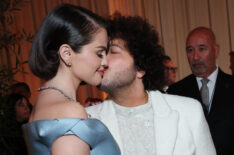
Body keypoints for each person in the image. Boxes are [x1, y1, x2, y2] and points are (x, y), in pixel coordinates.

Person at [86, 14, 216, 155]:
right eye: (100, 53)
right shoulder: (88, 120)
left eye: (112, 51)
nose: (102, 60)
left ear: (140, 68)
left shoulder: (188, 111)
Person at [22, 4, 120, 155]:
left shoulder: (42, 103)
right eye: (99, 53)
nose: (106, 62)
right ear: (67, 54)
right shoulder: (69, 111)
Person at [167, 27, 234, 155]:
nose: (195, 57)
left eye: (202, 49)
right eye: (190, 50)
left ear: (216, 51)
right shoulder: (175, 92)